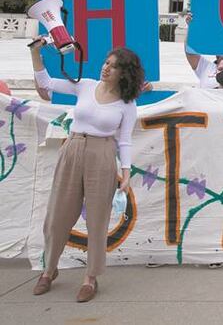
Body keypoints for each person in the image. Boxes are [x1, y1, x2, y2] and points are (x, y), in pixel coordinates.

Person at [29, 41, 142, 303]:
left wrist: (126, 173)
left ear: (124, 73)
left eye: (114, 67)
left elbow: (124, 140)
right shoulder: (85, 85)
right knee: (58, 215)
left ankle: (90, 278)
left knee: (97, 219)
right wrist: (35, 53)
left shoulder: (127, 104)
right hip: (73, 148)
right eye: (106, 63)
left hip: (102, 154)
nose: (106, 68)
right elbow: (47, 84)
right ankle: (49, 270)